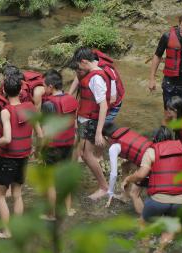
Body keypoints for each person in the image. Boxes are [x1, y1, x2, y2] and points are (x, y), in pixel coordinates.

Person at [122, 126, 182, 253]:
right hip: (180, 201)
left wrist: (128, 179)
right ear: (171, 138)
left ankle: (145, 249)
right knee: (170, 228)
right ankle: (160, 250)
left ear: (155, 139)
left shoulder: (151, 151)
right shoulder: (181, 150)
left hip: (158, 199)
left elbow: (141, 175)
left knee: (142, 223)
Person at [0, 74, 43, 238]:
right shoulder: (30, 107)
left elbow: (7, 139)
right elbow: (40, 134)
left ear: (4, 90)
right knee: (17, 194)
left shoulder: (6, 111)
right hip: (24, 156)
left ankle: (7, 231)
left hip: (8, 158)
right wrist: (36, 151)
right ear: (21, 90)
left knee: (0, 195)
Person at [71, 47, 111, 200]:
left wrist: (99, 132)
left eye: (79, 66)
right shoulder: (91, 71)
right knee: (83, 153)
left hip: (90, 121)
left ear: (85, 62)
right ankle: (103, 186)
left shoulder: (96, 78)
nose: (78, 70)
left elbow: (104, 105)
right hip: (84, 119)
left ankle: (104, 187)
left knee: (87, 155)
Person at [40, 69, 78, 219]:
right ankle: (68, 209)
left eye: (44, 86)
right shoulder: (70, 99)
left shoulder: (48, 104)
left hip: (53, 147)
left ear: (50, 86)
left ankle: (51, 214)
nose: (43, 89)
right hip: (68, 144)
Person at [102, 123, 153, 214]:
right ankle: (124, 196)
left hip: (149, 164)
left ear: (106, 137)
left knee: (134, 193)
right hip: (152, 154)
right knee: (125, 166)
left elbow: (113, 174)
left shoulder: (113, 148)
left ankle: (145, 219)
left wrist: (110, 193)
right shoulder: (125, 133)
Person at [69, 49, 124, 123]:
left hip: (113, 106)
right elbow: (79, 76)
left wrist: (94, 114)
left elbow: (112, 100)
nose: (79, 72)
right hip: (103, 100)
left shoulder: (105, 74)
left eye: (80, 70)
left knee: (100, 128)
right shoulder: (88, 63)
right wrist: (69, 95)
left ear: (84, 62)